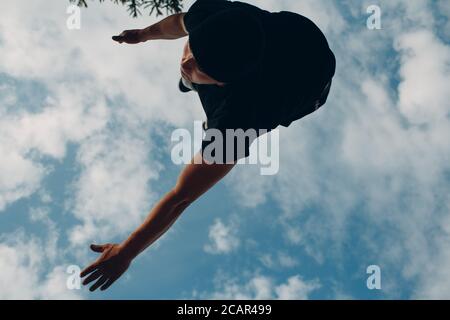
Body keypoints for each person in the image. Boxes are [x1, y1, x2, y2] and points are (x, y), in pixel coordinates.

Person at [81, 0, 336, 291]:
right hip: (297, 34)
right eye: (193, 50)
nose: (186, 63)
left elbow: (181, 197)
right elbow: (179, 23)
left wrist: (127, 251)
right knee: (193, 63)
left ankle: (198, 95)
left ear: (223, 84)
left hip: (308, 88)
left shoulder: (237, 119)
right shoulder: (212, 14)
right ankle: (194, 80)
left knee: (221, 129)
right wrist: (144, 34)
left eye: (200, 68)